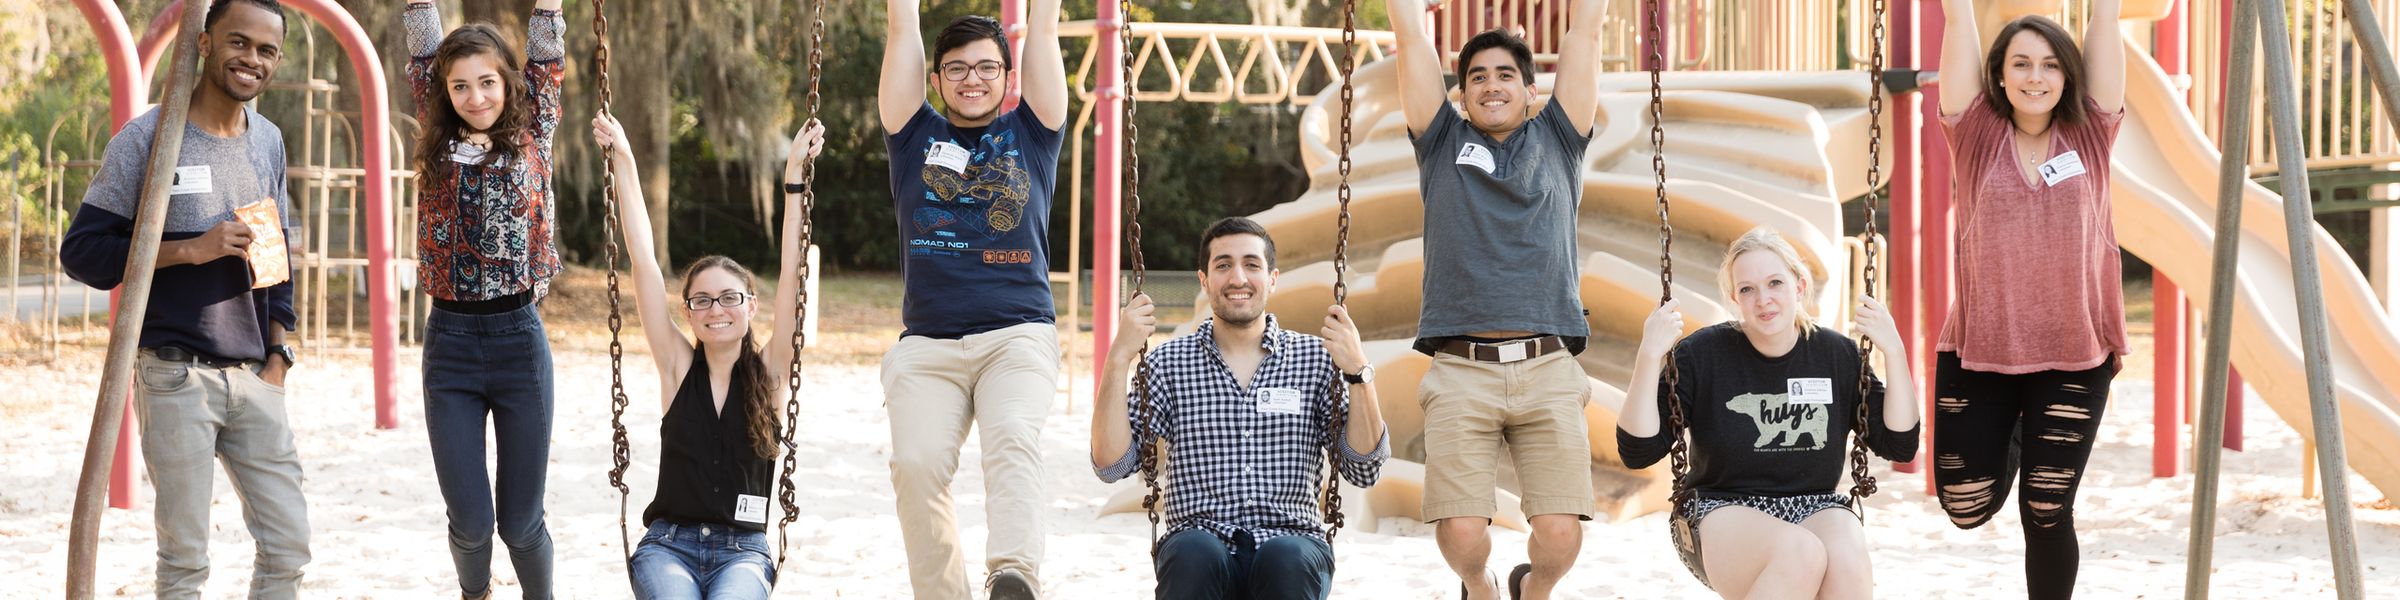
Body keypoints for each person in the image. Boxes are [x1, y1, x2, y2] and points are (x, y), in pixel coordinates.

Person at [58, 0, 308, 597]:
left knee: (288, 545)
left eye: (266, 50)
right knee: (186, 561)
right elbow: (82, 253)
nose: (252, 59)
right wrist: (187, 249)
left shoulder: (267, 141)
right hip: (175, 377)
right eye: (239, 43)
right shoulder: (147, 136)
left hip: (255, 376)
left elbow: (276, 259)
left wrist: (279, 354)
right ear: (204, 44)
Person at [1384, 0, 1610, 597]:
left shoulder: (1560, 138)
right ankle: (1479, 584)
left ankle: (1531, 587)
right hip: (1462, 367)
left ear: (1532, 89)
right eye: (1476, 76)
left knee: (1560, 534)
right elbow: (1411, 38)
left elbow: (1585, 32)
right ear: (1460, 95)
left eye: (1505, 74)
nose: (1491, 85)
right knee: (1460, 530)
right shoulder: (1439, 143)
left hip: (1548, 366)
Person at [1933, 1, 2126, 597]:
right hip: (1983, 351)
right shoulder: (1975, 134)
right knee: (1966, 506)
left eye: (2049, 65)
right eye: (2020, 64)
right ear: (1999, 75)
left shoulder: (2091, 132)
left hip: (2073, 355)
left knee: (2045, 509)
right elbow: (1957, 22)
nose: (2035, 77)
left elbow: (2105, 24)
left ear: (2068, 76)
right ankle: (2021, 430)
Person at [875, 0, 1068, 597]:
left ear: (1009, 78)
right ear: (936, 81)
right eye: (956, 68)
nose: (972, 79)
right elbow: (902, 22)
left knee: (1011, 438)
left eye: (987, 67)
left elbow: (1044, 24)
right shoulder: (913, 134)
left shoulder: (1032, 131)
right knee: (915, 465)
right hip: (929, 344)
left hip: (1016, 334)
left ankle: (1012, 576)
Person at [1090, 217, 1389, 600]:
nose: (1238, 278)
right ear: (1204, 279)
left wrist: (1359, 372)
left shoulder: (1315, 359)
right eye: (1223, 265)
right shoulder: (1169, 363)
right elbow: (1111, 464)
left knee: (1285, 556)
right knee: (1193, 551)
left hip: (1291, 541)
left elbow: (1364, 468)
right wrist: (1118, 359)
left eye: (1251, 264)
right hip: (1199, 543)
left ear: (1273, 278)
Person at [1618, 227, 1921, 600]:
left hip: (1816, 504)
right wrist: (1649, 356)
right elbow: (1638, 451)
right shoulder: (1703, 354)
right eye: (1747, 289)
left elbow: (1900, 444)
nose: (1763, 300)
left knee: (1846, 557)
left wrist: (1894, 351)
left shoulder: (1836, 355)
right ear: (1734, 298)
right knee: (1800, 552)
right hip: (1722, 507)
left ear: (1799, 285)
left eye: (1775, 283)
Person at [591, 111, 821, 599]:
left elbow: (791, 274)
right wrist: (625, 162)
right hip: (668, 547)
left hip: (744, 552)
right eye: (702, 300)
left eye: (729, 297)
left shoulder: (772, 373)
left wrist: (794, 180)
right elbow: (643, 259)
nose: (716, 309)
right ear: (689, 312)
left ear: (751, 306)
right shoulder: (676, 367)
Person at [404, 0, 568, 596]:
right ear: (442, 92)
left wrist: (549, 8)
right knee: (471, 525)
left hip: (518, 343)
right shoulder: (435, 131)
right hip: (448, 346)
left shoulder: (534, 130)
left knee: (521, 523)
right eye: (460, 86)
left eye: (488, 83)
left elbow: (548, 53)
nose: (475, 97)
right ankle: (476, 594)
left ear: (508, 83)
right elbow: (422, 39)